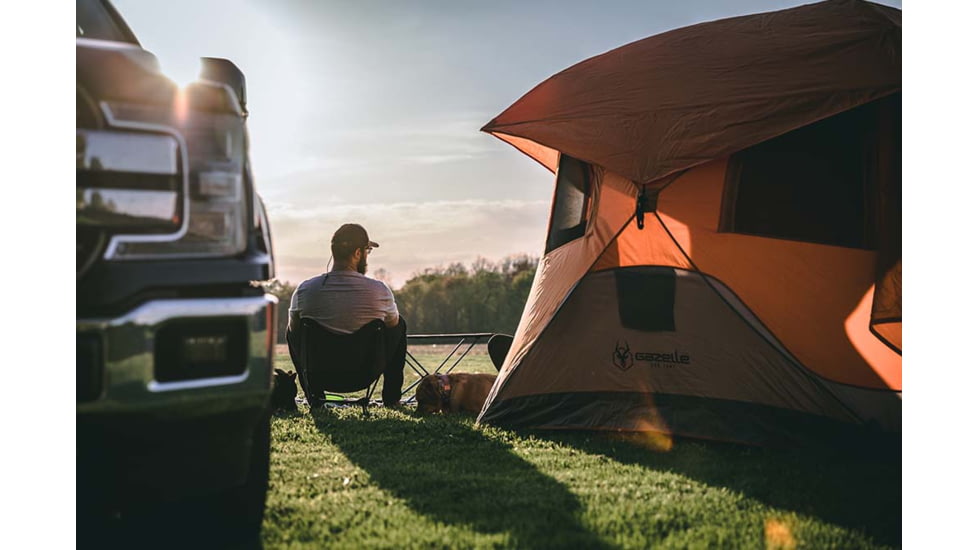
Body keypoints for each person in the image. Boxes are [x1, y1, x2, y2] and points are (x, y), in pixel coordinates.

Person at [287, 223, 407, 407]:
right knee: (399, 325)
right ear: (358, 253)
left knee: (292, 331)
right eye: (367, 250)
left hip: (321, 373)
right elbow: (393, 328)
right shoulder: (379, 291)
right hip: (364, 373)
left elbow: (294, 332)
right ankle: (392, 398)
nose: (367, 256)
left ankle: (314, 397)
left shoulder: (305, 291)